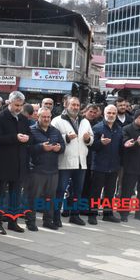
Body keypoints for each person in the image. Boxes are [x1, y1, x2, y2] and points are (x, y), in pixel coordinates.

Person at [0, 91, 32, 235]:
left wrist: (27, 138)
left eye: (20, 105)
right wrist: (15, 137)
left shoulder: (23, 119)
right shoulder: (0, 118)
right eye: (16, 105)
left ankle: (13, 222)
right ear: (9, 103)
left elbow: (30, 136)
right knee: (0, 194)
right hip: (4, 162)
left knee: (15, 194)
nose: (18, 108)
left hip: (19, 162)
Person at [51, 96, 92, 227]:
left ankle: (75, 215)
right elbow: (52, 138)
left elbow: (91, 138)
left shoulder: (84, 121)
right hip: (65, 161)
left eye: (77, 105)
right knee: (60, 190)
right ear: (66, 105)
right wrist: (66, 137)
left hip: (81, 161)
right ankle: (56, 216)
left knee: (78, 191)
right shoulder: (57, 121)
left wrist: (87, 139)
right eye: (72, 105)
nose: (75, 107)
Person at [26, 107, 65, 231]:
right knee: (33, 197)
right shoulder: (31, 130)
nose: (46, 119)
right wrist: (41, 147)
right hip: (37, 170)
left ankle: (48, 221)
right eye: (44, 117)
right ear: (38, 117)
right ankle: (30, 221)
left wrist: (60, 148)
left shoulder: (55, 131)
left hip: (53, 170)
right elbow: (28, 148)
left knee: (50, 198)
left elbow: (63, 145)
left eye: (48, 117)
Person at [89, 105, 123, 224]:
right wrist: (100, 143)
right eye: (109, 113)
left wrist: (127, 145)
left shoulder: (119, 129)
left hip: (113, 166)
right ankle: (92, 214)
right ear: (104, 113)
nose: (111, 115)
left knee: (110, 192)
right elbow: (91, 146)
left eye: (114, 113)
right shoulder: (97, 128)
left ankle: (107, 214)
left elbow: (120, 147)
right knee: (96, 192)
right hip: (99, 165)